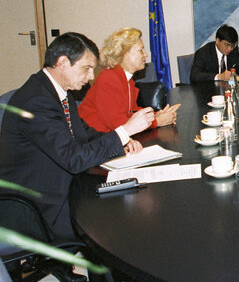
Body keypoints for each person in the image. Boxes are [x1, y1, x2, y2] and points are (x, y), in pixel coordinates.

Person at [0, 33, 154, 240]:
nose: (91, 76)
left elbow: (83, 133)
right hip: (35, 203)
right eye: (86, 68)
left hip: (59, 182)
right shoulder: (37, 101)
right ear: (62, 62)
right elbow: (74, 159)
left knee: (126, 199)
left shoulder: (59, 92)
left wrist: (120, 142)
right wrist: (124, 131)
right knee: (115, 224)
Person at [79, 28, 180, 132]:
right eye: (141, 50)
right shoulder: (108, 80)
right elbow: (118, 124)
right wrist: (157, 121)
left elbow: (129, 113)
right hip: (93, 140)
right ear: (125, 54)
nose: (145, 55)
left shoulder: (126, 79)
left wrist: (155, 115)